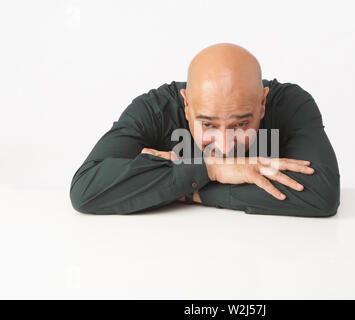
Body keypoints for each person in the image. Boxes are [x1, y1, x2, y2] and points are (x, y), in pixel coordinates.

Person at [70, 43, 340, 217]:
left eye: (240, 125)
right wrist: (212, 169)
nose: (224, 146)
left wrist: (187, 188)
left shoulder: (291, 104)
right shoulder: (153, 110)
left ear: (262, 103)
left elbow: (322, 195)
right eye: (208, 125)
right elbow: (87, 189)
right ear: (186, 105)